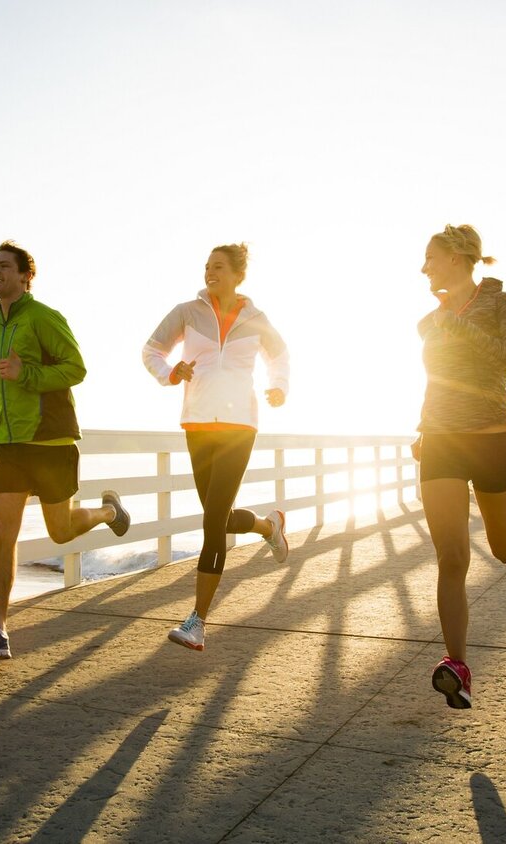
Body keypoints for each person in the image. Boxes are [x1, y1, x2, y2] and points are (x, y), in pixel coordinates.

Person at [0, 241, 130, 660]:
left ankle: (108, 513)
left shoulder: (44, 318)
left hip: (50, 441)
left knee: (60, 531)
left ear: (25, 275)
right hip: (9, 443)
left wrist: (26, 373)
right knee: (2, 533)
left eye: (4, 266)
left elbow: (76, 368)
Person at [142, 243, 290, 652]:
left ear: (237, 274)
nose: (210, 272)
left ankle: (197, 621)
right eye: (207, 266)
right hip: (197, 424)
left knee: (212, 522)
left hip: (239, 425)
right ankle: (268, 526)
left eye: (219, 267)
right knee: (217, 517)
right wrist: (171, 372)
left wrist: (278, 386)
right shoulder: (187, 312)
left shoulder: (256, 319)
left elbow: (280, 356)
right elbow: (151, 350)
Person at [413, 224, 506, 709]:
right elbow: (436, 380)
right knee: (451, 557)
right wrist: (423, 427)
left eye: (430, 257)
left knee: (500, 545)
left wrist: (461, 328)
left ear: (457, 258)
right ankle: (457, 666)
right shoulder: (428, 322)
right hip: (441, 442)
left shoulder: (502, 304)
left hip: (491, 440)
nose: (423, 267)